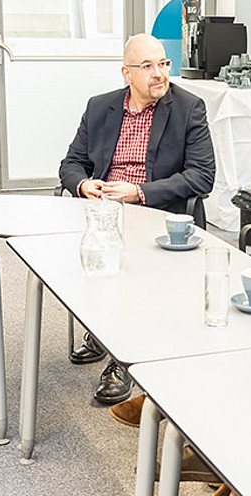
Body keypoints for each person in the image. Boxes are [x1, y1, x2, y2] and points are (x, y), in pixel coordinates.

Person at [59, 33, 216, 408]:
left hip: (159, 216)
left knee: (132, 272)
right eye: (147, 66)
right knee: (97, 256)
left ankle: (122, 362)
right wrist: (84, 184)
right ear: (126, 73)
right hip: (102, 210)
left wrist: (138, 192)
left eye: (163, 64)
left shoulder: (188, 108)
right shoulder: (100, 108)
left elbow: (201, 177)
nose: (159, 73)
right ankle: (102, 331)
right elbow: (71, 164)